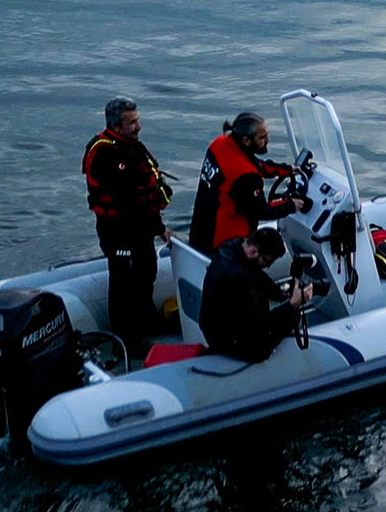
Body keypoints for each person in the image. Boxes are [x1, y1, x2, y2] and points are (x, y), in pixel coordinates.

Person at [82, 97, 173, 352]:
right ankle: (126, 339)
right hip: (118, 231)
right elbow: (130, 200)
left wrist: (157, 227)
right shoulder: (105, 153)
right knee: (123, 283)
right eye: (132, 122)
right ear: (116, 126)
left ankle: (148, 320)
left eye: (137, 120)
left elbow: (144, 197)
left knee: (146, 273)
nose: (138, 126)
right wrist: (158, 226)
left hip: (140, 228)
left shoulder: (130, 146)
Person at [189, 112, 310, 253]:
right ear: (246, 140)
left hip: (200, 233)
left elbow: (253, 164)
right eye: (262, 137)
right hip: (224, 246)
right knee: (272, 250)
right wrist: (291, 205)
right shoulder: (245, 177)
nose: (268, 140)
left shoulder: (219, 144)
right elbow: (262, 211)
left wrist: (286, 170)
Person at [198, 228, 313, 363]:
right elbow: (259, 323)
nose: (267, 266)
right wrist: (292, 305)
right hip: (227, 340)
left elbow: (256, 274)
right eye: (267, 262)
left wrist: (280, 293)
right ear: (254, 252)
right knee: (292, 316)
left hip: (214, 325)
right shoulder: (239, 278)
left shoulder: (233, 248)